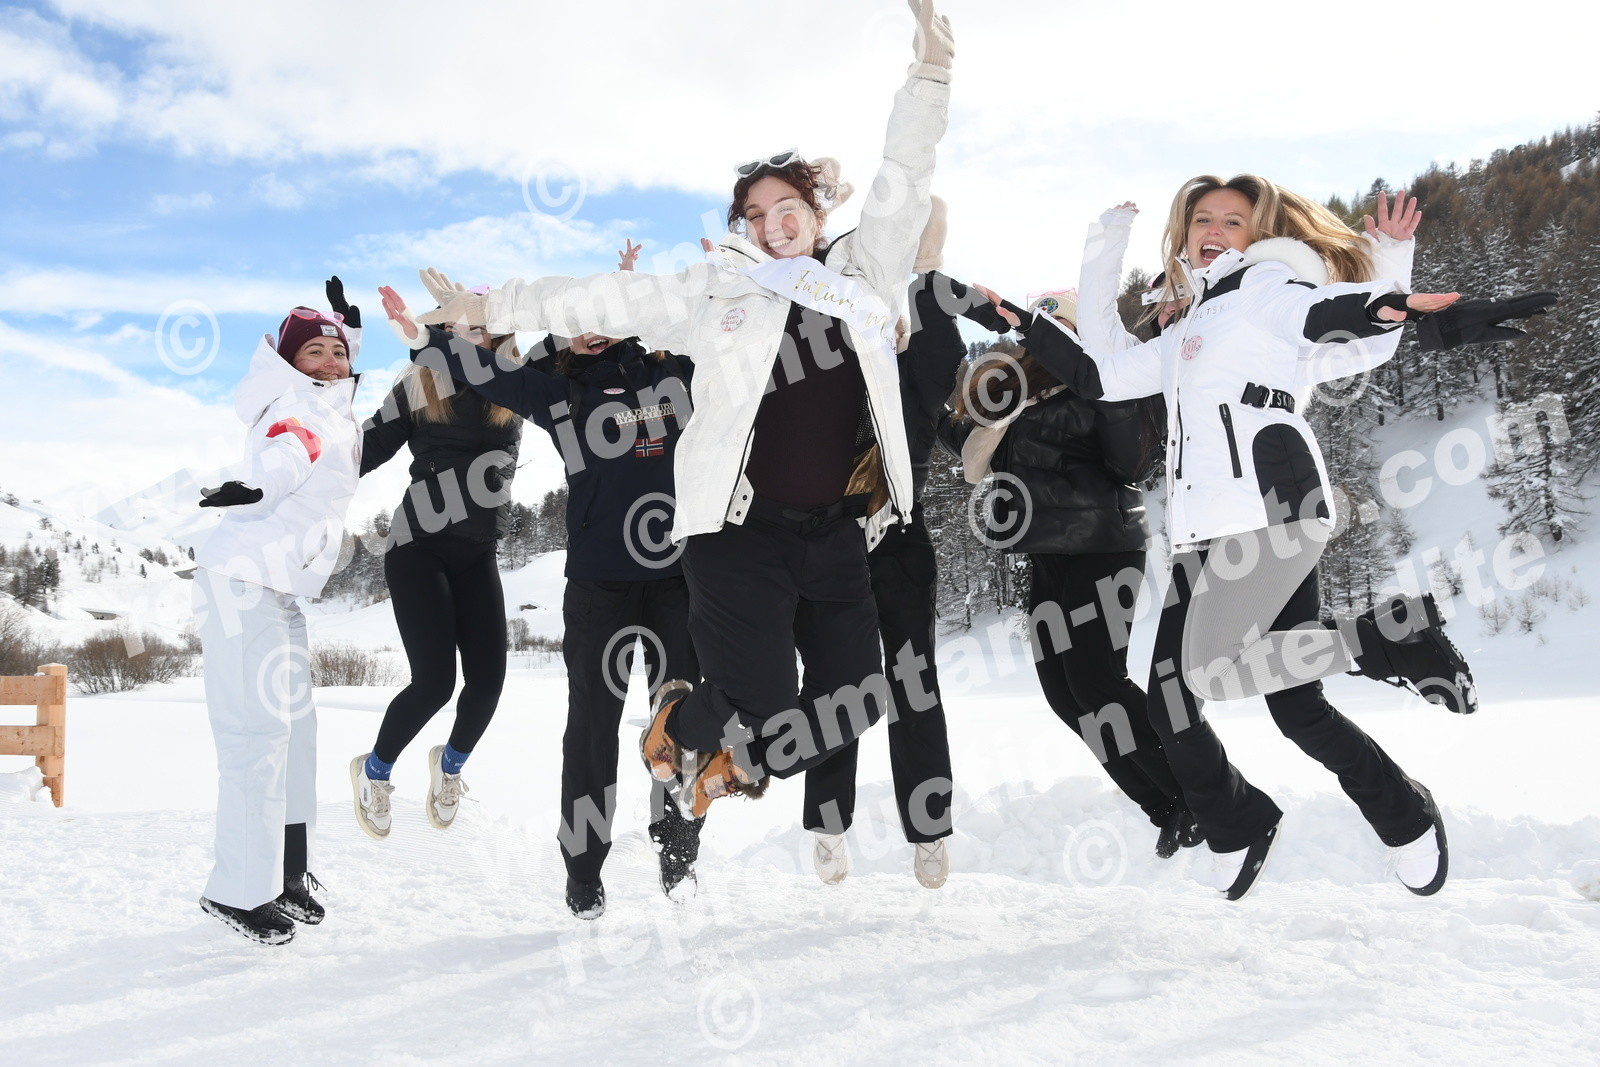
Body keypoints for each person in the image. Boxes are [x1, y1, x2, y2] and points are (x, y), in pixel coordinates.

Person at [410, 0, 954, 819]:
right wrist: (493, 306)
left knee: (858, 701)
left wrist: (931, 74)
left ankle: (723, 758)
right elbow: (607, 297)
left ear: (816, 214)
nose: (772, 226)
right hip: (738, 531)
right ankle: (685, 726)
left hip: (836, 534)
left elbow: (904, 177)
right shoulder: (719, 292)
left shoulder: (862, 279)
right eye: (755, 215)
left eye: (788, 208)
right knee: (760, 696)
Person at [986, 174, 1510, 901]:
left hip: (1267, 504)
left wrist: (1389, 290)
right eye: (1203, 218)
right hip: (1210, 527)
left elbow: (1332, 319)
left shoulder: (1264, 287)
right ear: (1183, 231)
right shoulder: (1194, 322)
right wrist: (1068, 284)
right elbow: (1103, 374)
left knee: (1184, 688)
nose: (1214, 230)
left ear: (1258, 235)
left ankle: (1260, 791)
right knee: (1290, 705)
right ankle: (1400, 810)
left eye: (1232, 221)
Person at [376, 252, 702, 921]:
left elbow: (737, 339)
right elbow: (481, 369)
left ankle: (679, 846)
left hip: (678, 580)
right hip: (599, 588)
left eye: (604, 313)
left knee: (683, 722)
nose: (591, 329)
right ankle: (584, 869)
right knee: (591, 731)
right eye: (576, 319)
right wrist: (432, 335)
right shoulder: (559, 394)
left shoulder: (675, 372)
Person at [802, 198, 1024, 888]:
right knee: (837, 684)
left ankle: (928, 828)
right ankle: (828, 821)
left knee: (912, 682)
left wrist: (930, 266)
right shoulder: (825, 353)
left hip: (900, 541)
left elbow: (949, 383)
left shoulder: (918, 360)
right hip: (829, 542)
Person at [938, 287, 1203, 862]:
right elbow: (975, 446)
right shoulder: (1021, 395)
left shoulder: (1106, 382)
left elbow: (1134, 461)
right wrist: (933, 396)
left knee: (1096, 682)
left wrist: (1109, 380)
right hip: (1048, 556)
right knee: (1064, 695)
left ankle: (1198, 793)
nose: (1048, 341)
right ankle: (1164, 804)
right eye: (1044, 330)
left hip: (1104, 549)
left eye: (1062, 328)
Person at [192, 293, 362, 944]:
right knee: (254, 737)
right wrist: (258, 487)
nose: (330, 360)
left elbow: (335, 376)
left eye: (338, 351)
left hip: (278, 589)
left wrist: (347, 328)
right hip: (242, 584)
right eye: (314, 351)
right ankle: (236, 890)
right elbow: (290, 449)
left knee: (296, 734)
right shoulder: (297, 408)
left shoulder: (331, 404)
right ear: (290, 363)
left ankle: (286, 872)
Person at [348, 282, 524, 845]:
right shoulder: (418, 384)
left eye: (480, 327)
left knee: (488, 683)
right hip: (417, 547)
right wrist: (304, 465)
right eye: (455, 328)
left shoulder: (517, 385)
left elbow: (579, 364)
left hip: (478, 551)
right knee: (435, 683)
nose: (469, 338)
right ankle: (374, 771)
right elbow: (365, 449)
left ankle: (449, 768)